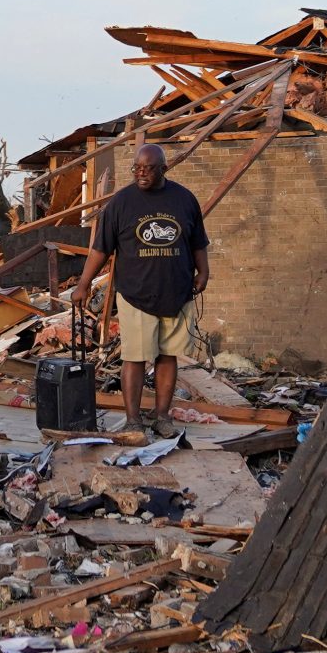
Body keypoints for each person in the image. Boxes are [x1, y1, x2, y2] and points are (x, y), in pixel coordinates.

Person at [78, 142, 209, 440]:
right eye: (136, 168)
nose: (141, 173)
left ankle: (162, 417)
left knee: (168, 356)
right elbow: (100, 249)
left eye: (148, 168)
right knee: (135, 358)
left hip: (177, 293)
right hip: (136, 294)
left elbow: (198, 241)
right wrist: (83, 285)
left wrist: (204, 272)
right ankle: (133, 420)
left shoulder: (184, 199)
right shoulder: (121, 203)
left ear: (163, 168)